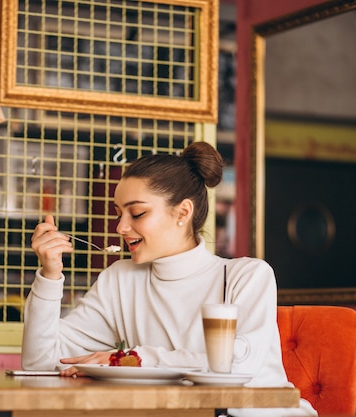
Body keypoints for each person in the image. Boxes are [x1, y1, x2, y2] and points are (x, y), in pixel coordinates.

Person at [23, 142, 316, 417]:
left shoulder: (246, 276)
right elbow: (41, 362)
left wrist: (132, 359)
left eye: (137, 213)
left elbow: (237, 366)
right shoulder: (121, 280)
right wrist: (50, 275)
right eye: (119, 213)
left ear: (183, 212)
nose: (121, 227)